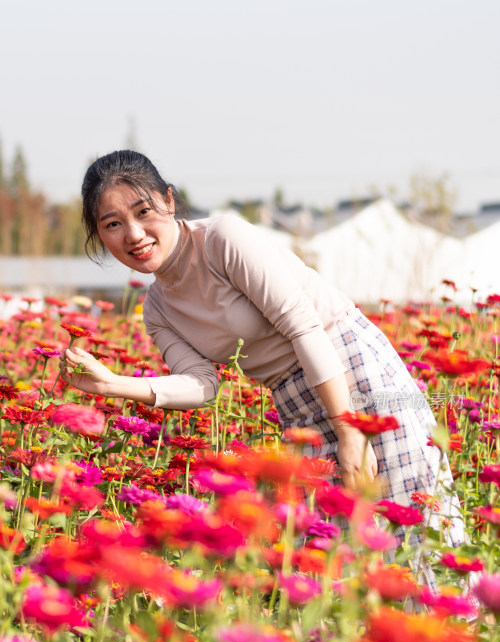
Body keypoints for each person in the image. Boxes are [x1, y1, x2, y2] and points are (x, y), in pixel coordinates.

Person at [62, 150, 465, 554]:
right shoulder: (158, 308)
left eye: (143, 211)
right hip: (296, 404)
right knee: (334, 552)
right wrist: (113, 384)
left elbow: (302, 326)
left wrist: (348, 428)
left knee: (418, 532)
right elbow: (203, 385)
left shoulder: (221, 239)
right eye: (113, 224)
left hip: (352, 373)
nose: (133, 234)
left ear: (169, 200)